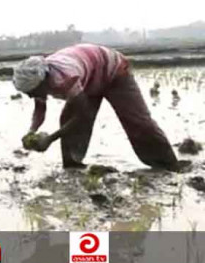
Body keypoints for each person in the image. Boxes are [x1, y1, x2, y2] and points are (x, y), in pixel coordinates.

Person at [12, 43, 179, 171]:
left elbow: (82, 114)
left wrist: (50, 139)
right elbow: (40, 109)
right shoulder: (40, 80)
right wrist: (31, 131)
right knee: (68, 118)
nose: (30, 96)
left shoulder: (65, 78)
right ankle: (73, 166)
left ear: (42, 81)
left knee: (138, 121)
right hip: (89, 75)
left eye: (31, 92)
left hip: (114, 72)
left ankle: (168, 165)